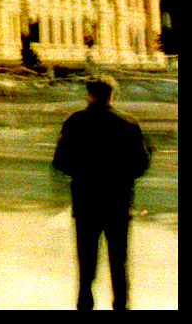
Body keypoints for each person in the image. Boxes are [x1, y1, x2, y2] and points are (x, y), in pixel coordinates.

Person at [52, 75, 152, 310]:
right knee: (119, 261)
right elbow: (142, 163)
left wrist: (83, 172)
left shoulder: (76, 122)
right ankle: (121, 305)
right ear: (111, 95)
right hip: (117, 202)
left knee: (86, 262)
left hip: (86, 202)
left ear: (90, 94)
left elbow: (61, 161)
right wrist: (122, 177)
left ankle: (85, 304)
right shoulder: (128, 124)